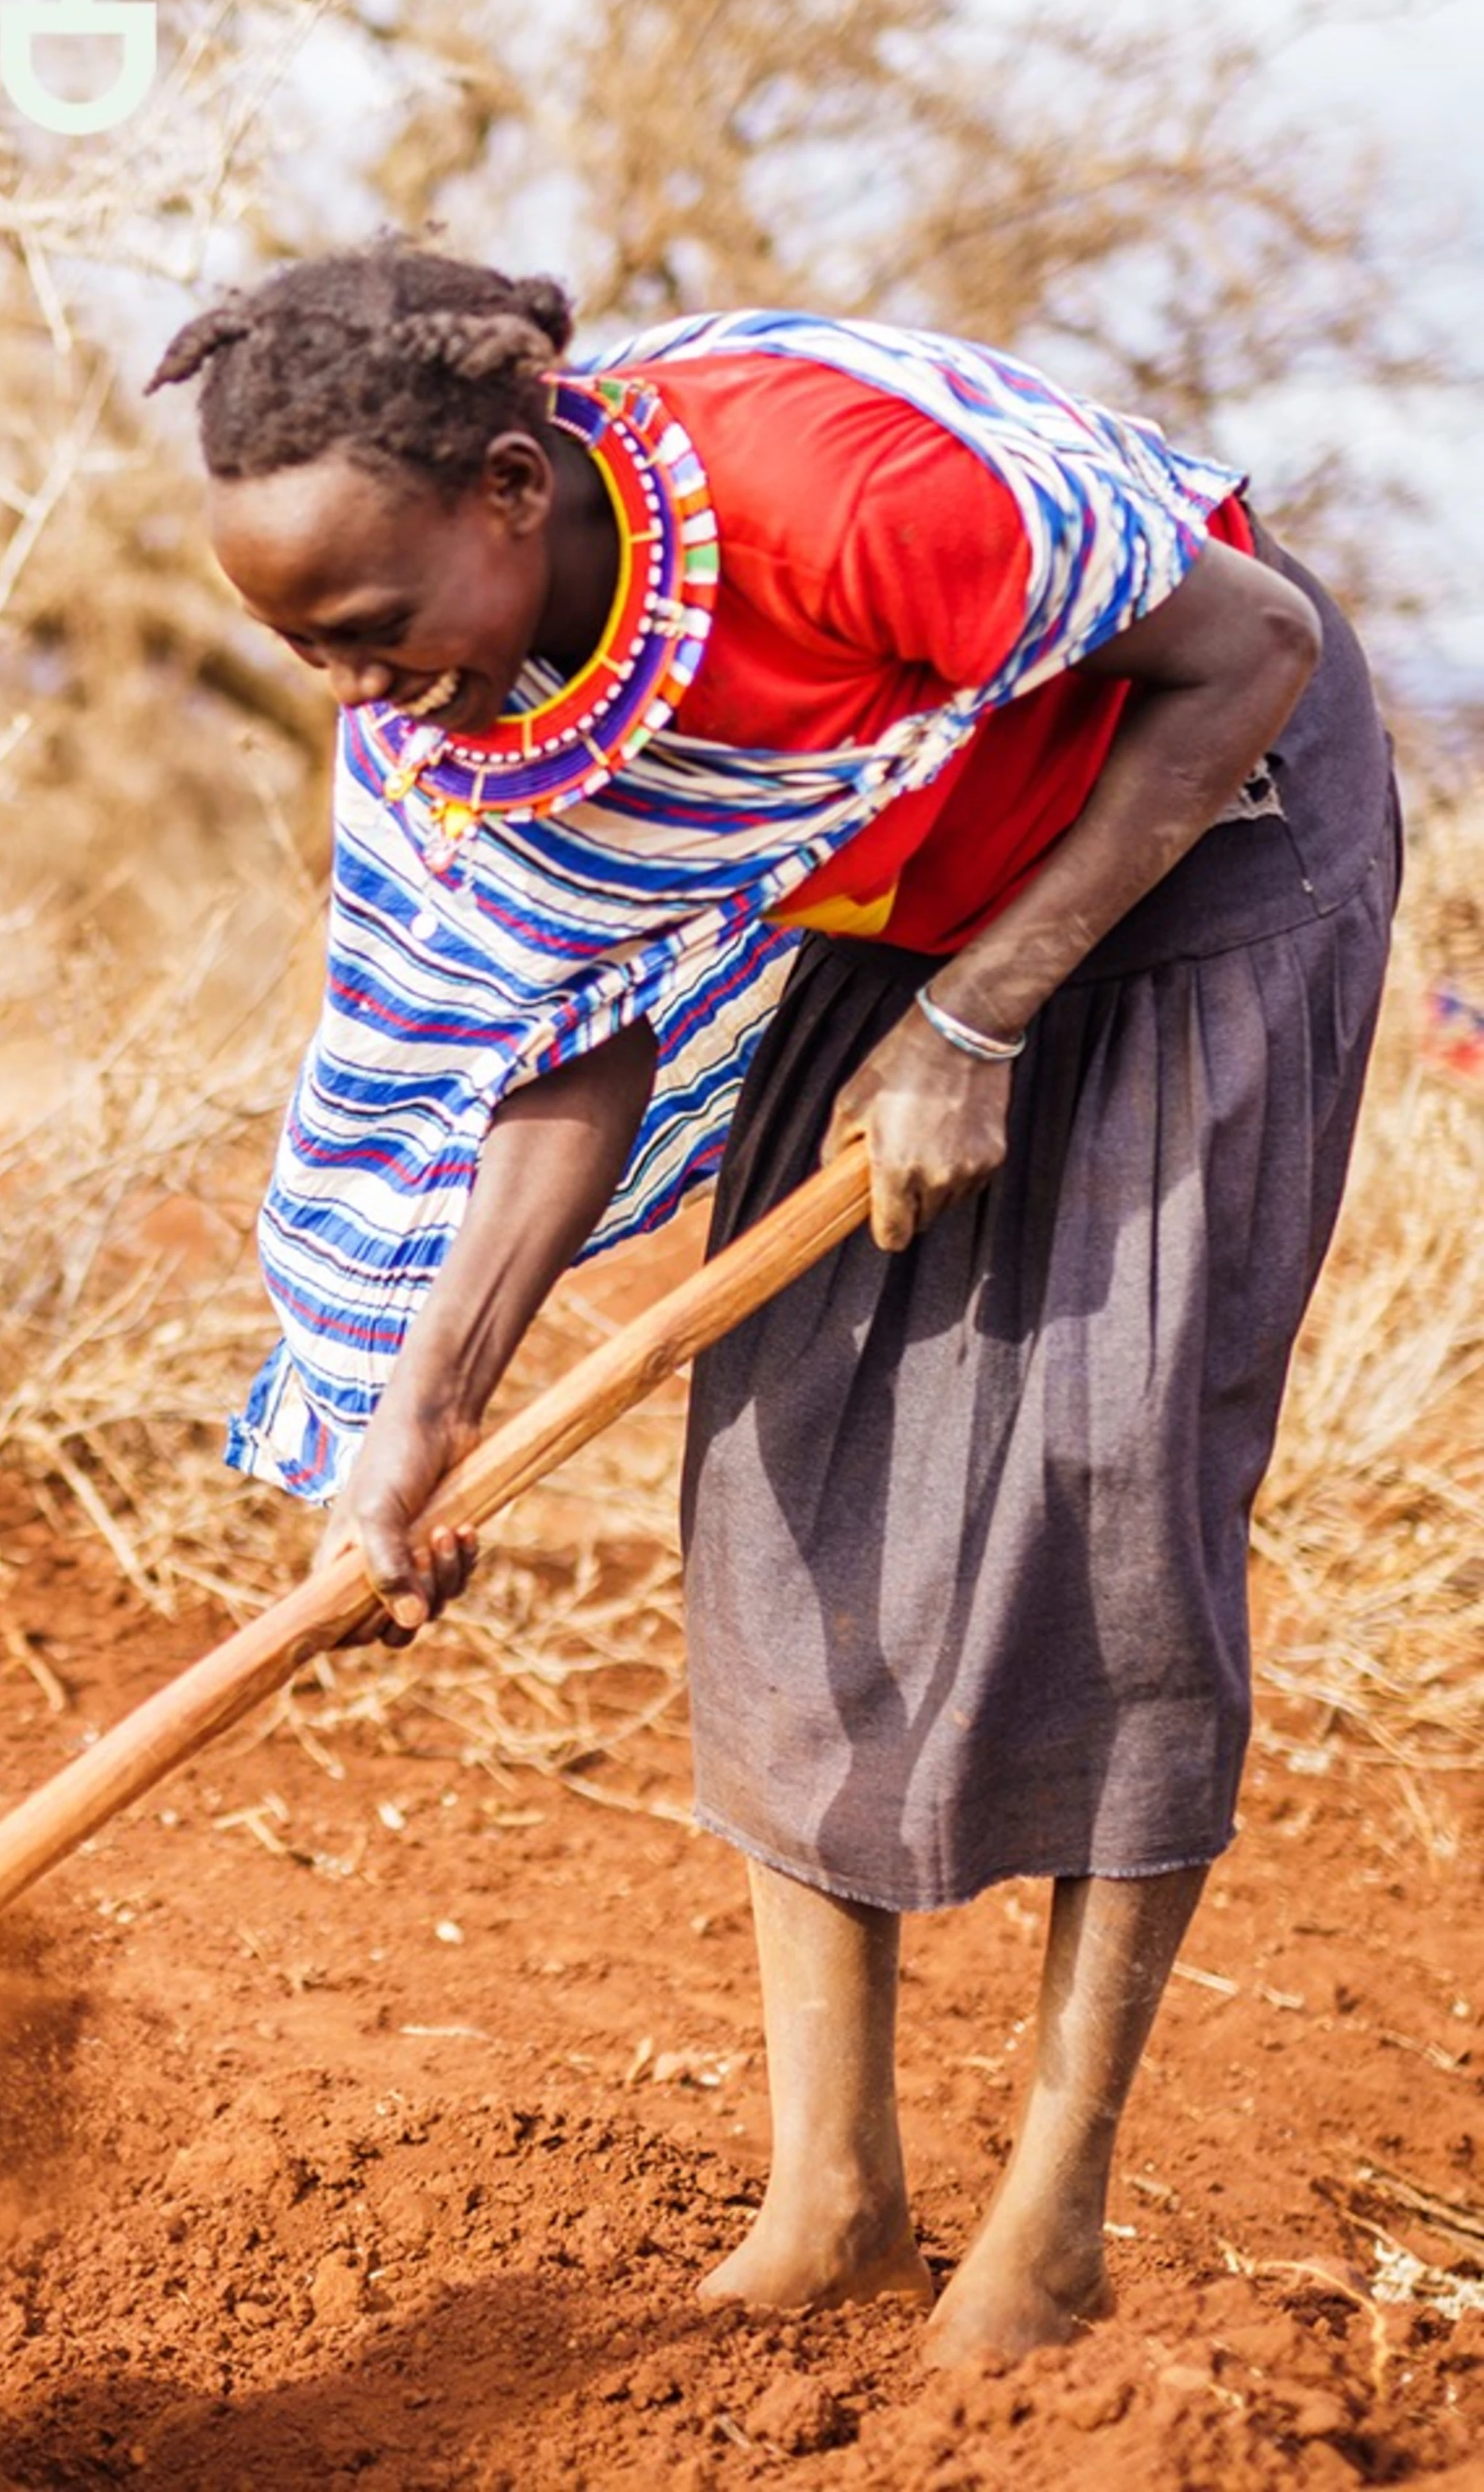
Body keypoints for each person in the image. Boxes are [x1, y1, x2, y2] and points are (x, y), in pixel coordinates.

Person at [146, 241, 1400, 2364]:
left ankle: (1054, 2226)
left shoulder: (830, 496)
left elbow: (1249, 643)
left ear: (512, 494)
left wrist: (989, 1017)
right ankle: (833, 2201)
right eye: (295, 646)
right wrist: (422, 1419)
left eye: (364, 626)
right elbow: (571, 1033)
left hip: (1207, 824)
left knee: (1108, 1469)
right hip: (898, 878)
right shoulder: (458, 732)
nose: (346, 690)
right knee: (785, 1477)